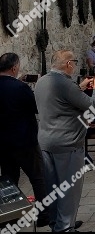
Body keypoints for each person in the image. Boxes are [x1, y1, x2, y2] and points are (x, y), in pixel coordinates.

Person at [35, 50, 95, 232]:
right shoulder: (65, 84)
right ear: (68, 64)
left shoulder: (42, 81)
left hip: (46, 142)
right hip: (67, 143)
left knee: (52, 187)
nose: (75, 64)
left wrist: (80, 88)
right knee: (69, 188)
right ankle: (65, 227)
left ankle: (56, 223)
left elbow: (60, 100)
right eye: (74, 61)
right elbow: (94, 106)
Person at [0, 53, 51, 227]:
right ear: (14, 67)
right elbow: (37, 108)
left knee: (9, 180)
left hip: (3, 143)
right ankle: (44, 215)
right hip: (25, 141)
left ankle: (10, 217)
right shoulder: (20, 88)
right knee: (38, 178)